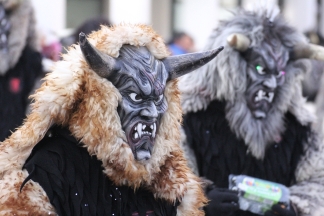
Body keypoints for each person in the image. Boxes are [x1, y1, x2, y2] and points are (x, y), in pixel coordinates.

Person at [0, 23, 223, 215]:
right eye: (136, 96)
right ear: (100, 100)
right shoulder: (52, 165)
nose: (152, 113)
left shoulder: (167, 172)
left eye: (157, 99)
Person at [179, 3, 324, 216]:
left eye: (280, 74)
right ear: (234, 69)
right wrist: (201, 201)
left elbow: (318, 181)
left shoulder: (298, 127)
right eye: (260, 69)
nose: (272, 84)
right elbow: (169, 180)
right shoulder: (193, 118)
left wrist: (294, 205)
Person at [0, 0, 43, 141]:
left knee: (13, 122)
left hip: (17, 70)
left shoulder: (22, 5)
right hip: (14, 68)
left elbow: (32, 42)